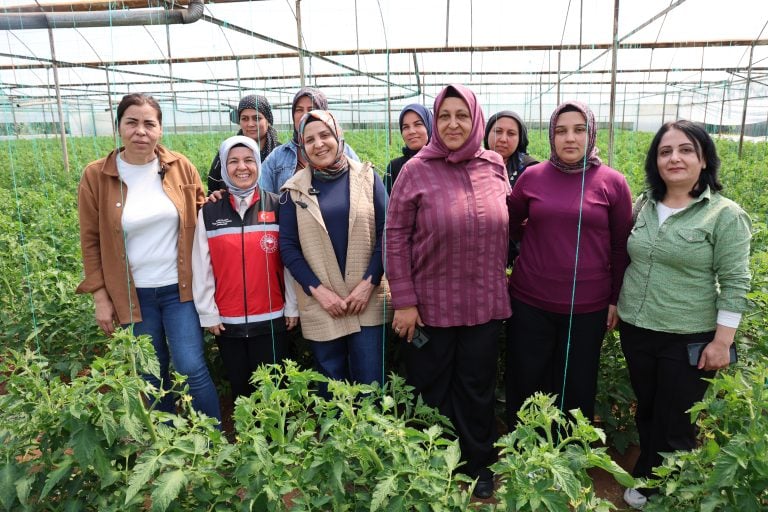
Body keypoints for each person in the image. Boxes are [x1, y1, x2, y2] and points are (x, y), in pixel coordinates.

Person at [617, 120, 751, 510]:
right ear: (655, 161)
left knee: (677, 417)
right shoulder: (644, 205)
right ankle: (648, 468)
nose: (674, 158)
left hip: (687, 333)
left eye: (686, 149)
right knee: (648, 404)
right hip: (637, 328)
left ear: (704, 158)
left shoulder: (724, 215)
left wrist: (722, 341)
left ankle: (666, 488)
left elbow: (735, 281)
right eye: (665, 151)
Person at [386, 84, 511, 499]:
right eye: (444, 116)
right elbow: (395, 234)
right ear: (435, 122)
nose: (453, 124)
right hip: (429, 306)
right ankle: (432, 465)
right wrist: (403, 300)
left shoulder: (494, 164)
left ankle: (478, 466)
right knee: (431, 388)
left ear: (475, 118)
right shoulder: (416, 169)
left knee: (477, 389)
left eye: (462, 115)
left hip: (483, 303)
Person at [77, 93, 221, 423]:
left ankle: (213, 441)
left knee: (190, 365)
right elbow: (90, 240)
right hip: (132, 294)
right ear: (119, 127)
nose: (140, 131)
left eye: (149, 123)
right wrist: (100, 297)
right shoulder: (96, 176)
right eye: (132, 122)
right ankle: (167, 444)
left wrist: (216, 203)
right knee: (151, 374)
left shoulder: (180, 166)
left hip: (180, 289)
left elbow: (201, 213)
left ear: (159, 129)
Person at [505, 100, 633, 431]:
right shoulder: (531, 177)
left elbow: (621, 246)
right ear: (551, 136)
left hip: (587, 307)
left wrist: (615, 298)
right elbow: (510, 223)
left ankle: (568, 451)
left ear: (591, 134)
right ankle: (525, 448)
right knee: (526, 378)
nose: (570, 138)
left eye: (579, 130)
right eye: (561, 131)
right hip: (530, 300)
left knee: (576, 382)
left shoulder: (612, 183)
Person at [279, 110, 390, 387]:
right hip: (322, 304)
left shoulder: (367, 178)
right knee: (332, 389)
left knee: (370, 385)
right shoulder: (293, 191)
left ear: (339, 137)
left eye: (325, 135)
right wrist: (318, 291)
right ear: (302, 146)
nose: (318, 144)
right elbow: (288, 247)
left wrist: (369, 284)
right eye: (309, 139)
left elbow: (387, 233)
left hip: (366, 300)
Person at [192, 135, 299, 401]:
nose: (242, 167)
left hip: (272, 317)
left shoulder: (278, 205)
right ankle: (246, 441)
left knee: (274, 392)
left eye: (249, 160)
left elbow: (289, 261)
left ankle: (275, 439)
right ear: (224, 168)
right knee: (241, 389)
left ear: (259, 165)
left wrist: (292, 305)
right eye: (234, 161)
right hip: (228, 322)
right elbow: (201, 265)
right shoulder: (210, 211)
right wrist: (208, 313)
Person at [259, 87, 360, 194]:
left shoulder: (345, 152)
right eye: (299, 110)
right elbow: (265, 198)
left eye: (311, 109)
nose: (304, 115)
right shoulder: (277, 156)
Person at [207, 94, 281, 193]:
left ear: (268, 120)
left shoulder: (280, 153)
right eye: (245, 119)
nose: (250, 124)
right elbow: (213, 188)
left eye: (257, 118)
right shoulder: (227, 151)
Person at [484, 110, 539, 190]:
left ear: (520, 139)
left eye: (511, 133)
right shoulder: (473, 165)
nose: (503, 139)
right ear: (487, 134)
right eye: (498, 131)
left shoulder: (531, 169)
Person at [385, 103, 432, 194]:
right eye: (405, 127)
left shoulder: (444, 163)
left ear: (429, 126)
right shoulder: (395, 167)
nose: (411, 131)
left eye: (418, 124)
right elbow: (386, 205)